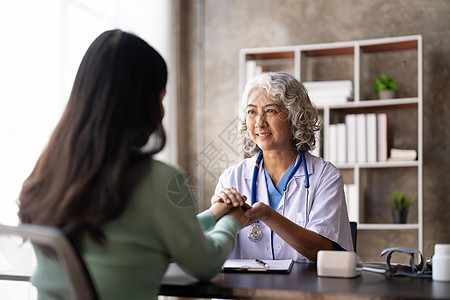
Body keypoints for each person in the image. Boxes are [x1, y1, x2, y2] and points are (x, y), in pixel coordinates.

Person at [17, 29, 246, 299]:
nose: (162, 110)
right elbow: (204, 263)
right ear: (142, 103)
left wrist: (214, 213)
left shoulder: (47, 173)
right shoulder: (159, 179)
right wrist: (232, 222)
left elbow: (135, 231)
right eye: (160, 98)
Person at [211, 71, 353, 263]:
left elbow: (323, 250)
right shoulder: (231, 178)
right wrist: (216, 214)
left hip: (305, 291)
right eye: (252, 112)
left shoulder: (325, 176)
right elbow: (213, 251)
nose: (259, 122)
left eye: (270, 111)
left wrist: (268, 216)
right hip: (246, 291)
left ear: (294, 116)